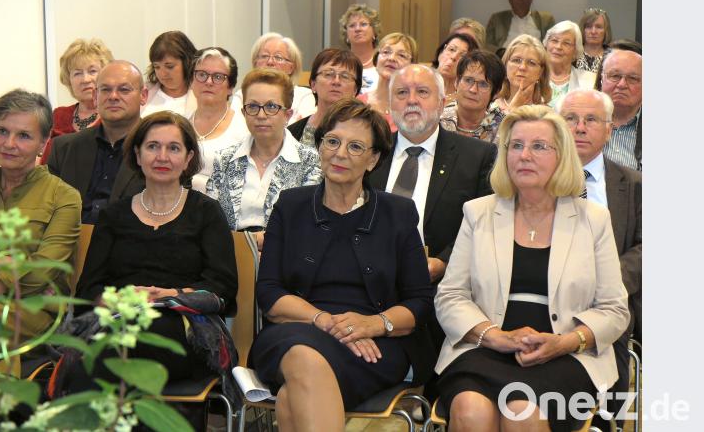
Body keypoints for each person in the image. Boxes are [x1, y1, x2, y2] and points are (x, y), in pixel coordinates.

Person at [434, 104, 629, 431]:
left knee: (521, 412)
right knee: (471, 411)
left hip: (566, 353)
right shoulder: (478, 213)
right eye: (516, 145)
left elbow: (614, 309)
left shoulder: (593, 220)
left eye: (538, 146)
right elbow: (450, 296)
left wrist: (566, 342)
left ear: (561, 156)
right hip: (486, 346)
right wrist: (496, 337)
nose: (524, 156)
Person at [249, 98, 435, 430]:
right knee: (303, 357)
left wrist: (373, 324)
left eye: (355, 146)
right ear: (320, 146)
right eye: (332, 141)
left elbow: (419, 303)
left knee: (292, 396)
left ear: (373, 159)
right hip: (296, 330)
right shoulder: (291, 206)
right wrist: (324, 321)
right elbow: (269, 293)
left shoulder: (398, 213)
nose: (339, 153)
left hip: (376, 344)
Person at [72, 110, 238, 428]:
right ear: (137, 154)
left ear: (188, 158)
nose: (162, 157)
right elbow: (88, 290)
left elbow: (223, 288)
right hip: (119, 319)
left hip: (186, 328)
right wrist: (124, 299)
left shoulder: (206, 212)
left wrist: (170, 295)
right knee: (102, 354)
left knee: (105, 360)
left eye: (173, 148)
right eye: (153, 147)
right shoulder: (113, 216)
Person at [368, 64, 496, 402]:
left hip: (443, 285)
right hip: (369, 285)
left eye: (422, 92)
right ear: (390, 105)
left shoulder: (477, 156)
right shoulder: (369, 153)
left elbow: (484, 227)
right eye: (402, 93)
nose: (412, 100)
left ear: (442, 103)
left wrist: (444, 263)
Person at [0, 89, 81, 374]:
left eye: (24, 136)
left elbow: (41, 271)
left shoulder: (63, 196)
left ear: (44, 143)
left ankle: (1, 397)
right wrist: (4, 261)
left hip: (34, 308)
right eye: (2, 131)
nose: (9, 143)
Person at [559, 89, 641, 429]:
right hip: (542, 302)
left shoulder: (634, 184)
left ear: (609, 130)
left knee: (608, 401)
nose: (580, 127)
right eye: (570, 119)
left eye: (591, 120)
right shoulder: (530, 180)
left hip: (606, 305)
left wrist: (605, 279)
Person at [206, 68, 321, 248]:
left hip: (286, 255)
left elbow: (306, 224)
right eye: (253, 107)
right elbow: (210, 221)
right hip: (230, 254)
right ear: (244, 113)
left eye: (271, 107)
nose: (261, 115)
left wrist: (254, 242)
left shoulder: (310, 162)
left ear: (287, 115)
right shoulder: (225, 159)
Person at [48, 60, 147, 224]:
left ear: (143, 96)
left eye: (124, 89)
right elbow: (47, 211)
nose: (113, 96)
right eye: (105, 89)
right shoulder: (64, 149)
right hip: (71, 238)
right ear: (95, 96)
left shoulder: (160, 151)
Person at [40, 38, 114, 163]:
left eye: (92, 71)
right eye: (77, 73)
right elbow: (45, 161)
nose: (85, 79)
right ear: (69, 80)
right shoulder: (59, 115)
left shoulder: (113, 116)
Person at [187, 47, 250, 191]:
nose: (208, 82)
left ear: (230, 87)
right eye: (201, 75)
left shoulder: (244, 129)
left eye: (218, 77)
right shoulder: (179, 124)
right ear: (191, 81)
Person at [230, 33, 316, 125]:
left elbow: (299, 130)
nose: (270, 62)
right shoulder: (242, 95)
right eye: (264, 56)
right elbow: (237, 129)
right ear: (255, 63)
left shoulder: (304, 96)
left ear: (291, 68)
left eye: (278, 57)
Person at [287, 48, 363, 147]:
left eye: (345, 76)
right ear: (313, 84)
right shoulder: (291, 133)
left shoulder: (366, 131)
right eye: (328, 74)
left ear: (355, 89)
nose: (336, 81)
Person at [439, 50, 507, 143]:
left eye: (483, 84)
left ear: (496, 92)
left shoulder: (503, 128)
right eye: (468, 80)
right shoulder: (437, 120)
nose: (473, 90)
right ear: (457, 82)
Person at [360, 32, 418, 132]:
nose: (391, 58)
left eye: (401, 55)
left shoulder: (414, 110)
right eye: (386, 52)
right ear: (376, 59)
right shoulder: (358, 104)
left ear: (412, 66)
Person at [485, 0, 555, 57]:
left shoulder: (546, 19)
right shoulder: (497, 19)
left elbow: (552, 45)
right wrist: (503, 53)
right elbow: (486, 45)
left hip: (535, 60)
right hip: (505, 59)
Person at [598, 48, 642, 171]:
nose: (622, 84)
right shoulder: (580, 119)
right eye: (615, 76)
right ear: (602, 79)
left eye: (633, 78)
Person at [141, 30, 198, 118]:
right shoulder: (143, 93)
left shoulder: (201, 96)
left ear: (187, 62)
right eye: (157, 67)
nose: (162, 74)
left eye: (169, 66)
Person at [491, 34, 551, 115]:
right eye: (516, 60)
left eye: (531, 63)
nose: (522, 67)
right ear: (505, 66)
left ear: (541, 72)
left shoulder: (547, 114)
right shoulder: (489, 106)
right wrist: (514, 108)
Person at [543, 21, 596, 109]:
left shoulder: (590, 80)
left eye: (566, 43)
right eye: (554, 41)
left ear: (575, 50)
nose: (558, 47)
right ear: (546, 45)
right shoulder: (533, 76)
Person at [339, 4, 382, 94]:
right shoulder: (339, 64)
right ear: (346, 34)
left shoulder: (384, 62)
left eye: (363, 24)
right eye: (352, 25)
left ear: (374, 31)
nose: (357, 29)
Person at [431, 33, 479, 105]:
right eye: (451, 49)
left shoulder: (466, 100)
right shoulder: (419, 83)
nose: (454, 57)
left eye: (462, 56)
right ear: (440, 53)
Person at [576, 8, 612, 73]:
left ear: (606, 31)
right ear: (582, 29)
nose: (593, 31)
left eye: (598, 27)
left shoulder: (612, 56)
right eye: (588, 27)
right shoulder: (573, 54)